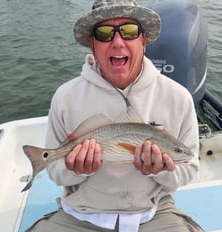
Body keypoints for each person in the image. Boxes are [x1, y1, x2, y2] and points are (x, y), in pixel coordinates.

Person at [26, 0, 203, 231]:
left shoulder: (178, 97)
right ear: (92, 43)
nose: (118, 42)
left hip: (153, 212)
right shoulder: (66, 96)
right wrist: (75, 170)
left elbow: (188, 169)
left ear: (143, 41)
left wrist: (161, 171)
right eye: (104, 33)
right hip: (81, 214)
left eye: (129, 31)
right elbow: (57, 174)